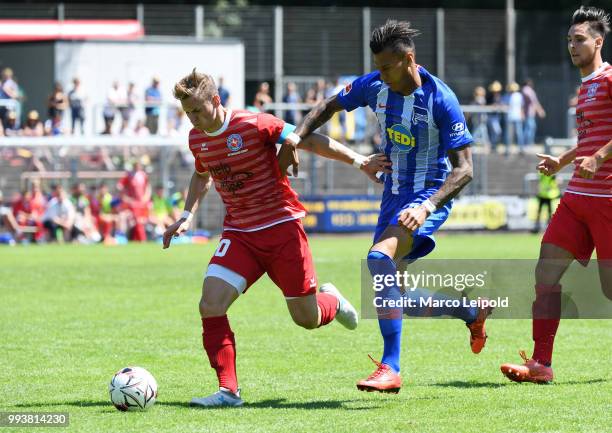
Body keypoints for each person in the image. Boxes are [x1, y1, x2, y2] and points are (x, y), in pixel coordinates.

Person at [286, 20, 492, 394]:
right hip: (393, 195)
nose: (379, 75)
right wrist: (296, 137)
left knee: (378, 260)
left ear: (408, 59)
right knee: (397, 294)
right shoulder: (375, 85)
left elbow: (465, 171)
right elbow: (329, 104)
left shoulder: (440, 99)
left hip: (426, 195)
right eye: (377, 67)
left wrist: (427, 207)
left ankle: (391, 367)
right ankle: (471, 312)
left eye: (386, 68)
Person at [163, 68, 388, 407]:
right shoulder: (197, 139)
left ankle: (333, 301)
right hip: (240, 235)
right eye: (187, 112)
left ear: (215, 100)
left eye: (197, 109)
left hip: (282, 230)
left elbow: (308, 137)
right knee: (210, 304)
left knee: (306, 319)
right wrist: (185, 215)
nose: (193, 118)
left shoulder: (253, 124)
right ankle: (228, 392)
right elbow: (201, 175)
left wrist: (359, 161)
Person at [501, 6, 612, 384]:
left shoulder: (611, 78)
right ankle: (540, 363)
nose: (572, 45)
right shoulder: (585, 86)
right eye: (569, 39)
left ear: (599, 42)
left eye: (579, 39)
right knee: (545, 272)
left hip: (608, 200)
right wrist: (565, 160)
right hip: (577, 198)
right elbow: (590, 138)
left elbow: (599, 146)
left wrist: (598, 157)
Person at [522, 78, 546, 146]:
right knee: (529, 127)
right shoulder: (527, 89)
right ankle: (527, 143)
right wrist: (540, 110)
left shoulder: (528, 90)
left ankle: (527, 143)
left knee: (530, 127)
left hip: (530, 112)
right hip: (528, 112)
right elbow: (534, 101)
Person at [504, 82, 525, 155]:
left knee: (519, 133)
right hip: (509, 116)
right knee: (508, 134)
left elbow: (522, 106)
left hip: (517, 116)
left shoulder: (519, 96)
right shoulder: (507, 96)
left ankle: (521, 148)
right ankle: (507, 149)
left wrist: (522, 114)